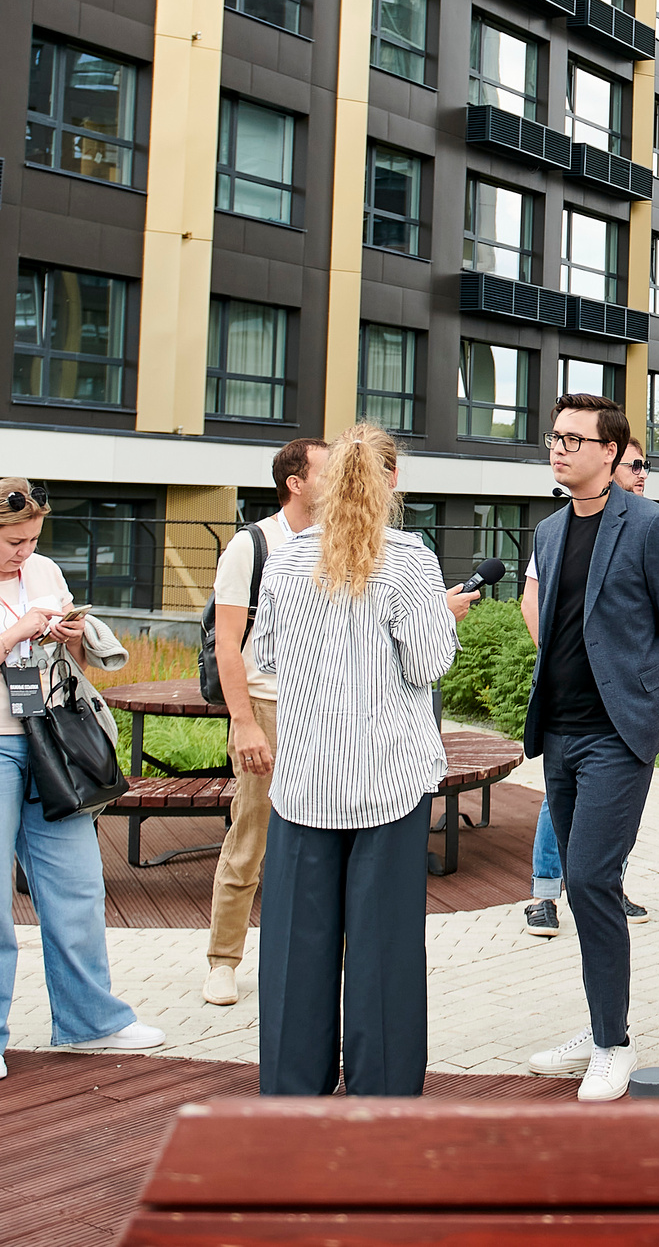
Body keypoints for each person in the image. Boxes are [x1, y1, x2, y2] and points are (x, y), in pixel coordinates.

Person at [0, 478, 162, 1082]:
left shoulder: (46, 572)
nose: (24, 552)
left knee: (77, 886)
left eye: (31, 541)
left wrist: (69, 640)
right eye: (13, 542)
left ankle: (91, 1020)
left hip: (48, 740)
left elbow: (63, 669)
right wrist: (13, 634)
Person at [252, 426, 465, 1096]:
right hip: (388, 783)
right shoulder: (408, 560)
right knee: (384, 952)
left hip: (305, 779)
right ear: (389, 483)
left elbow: (263, 658)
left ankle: (293, 1091)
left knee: (295, 951)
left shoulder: (285, 561)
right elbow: (431, 662)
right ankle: (383, 1090)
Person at [521, 393, 659, 1101]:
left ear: (610, 451)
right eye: (554, 435)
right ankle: (599, 1024)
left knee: (594, 877)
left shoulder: (653, 526)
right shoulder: (548, 530)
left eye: (573, 438)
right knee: (577, 882)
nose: (559, 447)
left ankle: (612, 1045)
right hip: (560, 732)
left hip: (618, 735)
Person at [517, 435, 659, 937]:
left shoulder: (650, 525)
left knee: (599, 840)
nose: (642, 473)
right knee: (561, 805)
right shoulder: (556, 531)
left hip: (621, 711)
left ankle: (600, 886)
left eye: (647, 466)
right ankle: (546, 893)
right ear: (610, 461)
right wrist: (555, 658)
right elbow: (538, 601)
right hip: (568, 709)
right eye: (636, 464)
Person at [202, 436, 328, 1007]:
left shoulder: (340, 545)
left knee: (323, 841)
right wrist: (245, 722)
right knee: (251, 835)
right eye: (328, 472)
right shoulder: (252, 546)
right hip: (268, 708)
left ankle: (314, 959)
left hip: (326, 712)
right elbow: (228, 645)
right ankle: (223, 960)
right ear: (295, 483)